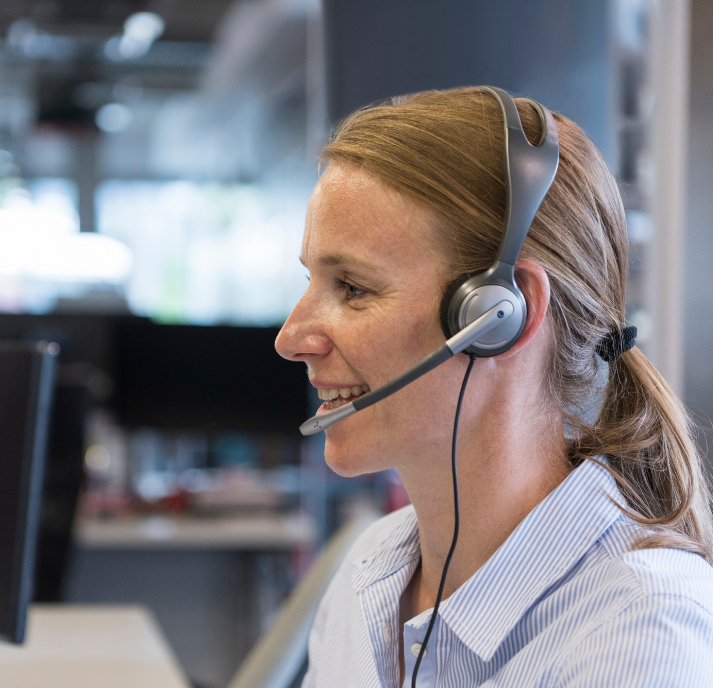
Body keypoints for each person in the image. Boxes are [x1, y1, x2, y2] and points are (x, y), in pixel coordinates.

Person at [274, 87, 713, 687]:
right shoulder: (368, 576)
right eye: (311, 280)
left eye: (353, 287)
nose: (292, 337)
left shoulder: (642, 634)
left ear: (498, 315)